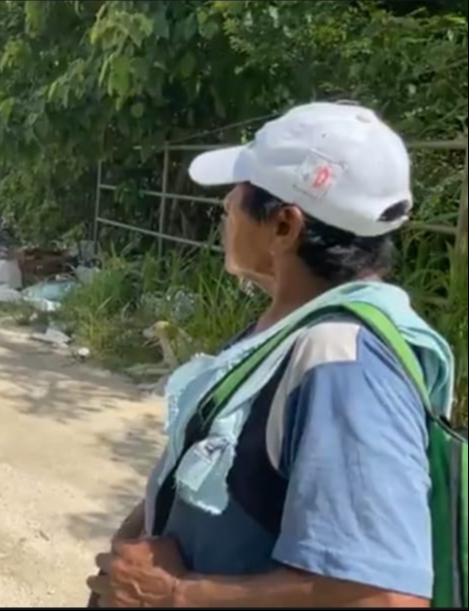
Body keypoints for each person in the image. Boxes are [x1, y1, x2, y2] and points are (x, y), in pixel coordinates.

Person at [86, 102, 455, 607]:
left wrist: (178, 594)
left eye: (239, 192)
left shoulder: (347, 364)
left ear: (284, 225)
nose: (226, 206)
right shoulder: (289, 330)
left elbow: (384, 596)